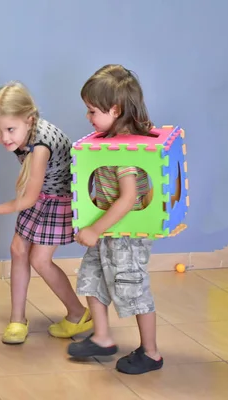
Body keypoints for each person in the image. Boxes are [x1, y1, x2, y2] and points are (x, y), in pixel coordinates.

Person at [0, 81, 93, 345]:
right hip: (40, 196)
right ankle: (17, 319)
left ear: (29, 120)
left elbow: (26, 200)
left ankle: (78, 313)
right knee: (18, 250)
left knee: (39, 260)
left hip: (59, 200)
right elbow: (2, 128)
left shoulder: (40, 148)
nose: (4, 138)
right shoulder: (19, 129)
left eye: (10, 130)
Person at [67, 64, 163, 375]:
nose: (88, 117)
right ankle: (103, 337)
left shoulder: (124, 149)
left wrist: (95, 228)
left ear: (115, 109)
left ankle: (151, 352)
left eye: (92, 111)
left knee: (133, 288)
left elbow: (128, 197)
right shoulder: (109, 140)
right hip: (109, 229)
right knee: (93, 278)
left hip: (126, 234)